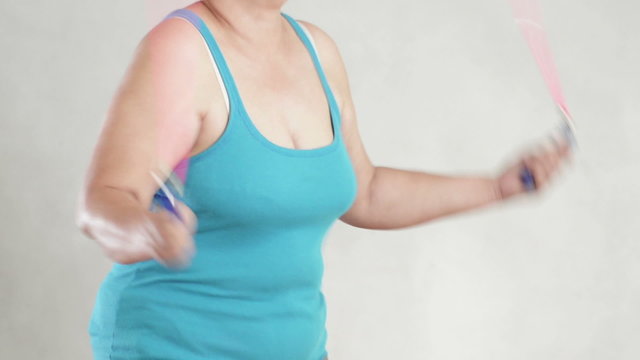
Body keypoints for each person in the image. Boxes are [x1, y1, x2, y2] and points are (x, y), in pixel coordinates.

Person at [76, 0, 572, 359]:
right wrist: (148, 231)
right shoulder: (182, 48)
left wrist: (497, 187)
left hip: (299, 345)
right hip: (172, 345)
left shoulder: (317, 49)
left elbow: (367, 192)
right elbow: (102, 203)